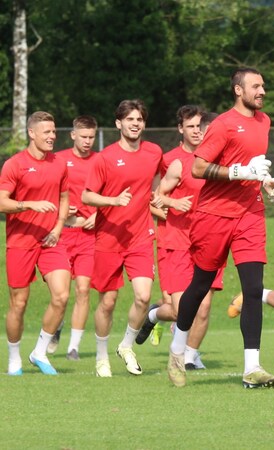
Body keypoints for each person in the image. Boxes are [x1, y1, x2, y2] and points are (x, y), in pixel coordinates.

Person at [165, 67, 274, 389]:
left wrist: (266, 182)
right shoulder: (223, 125)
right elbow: (199, 167)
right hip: (213, 215)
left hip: (250, 214)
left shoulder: (265, 121)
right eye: (255, 86)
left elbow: (252, 166)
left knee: (253, 289)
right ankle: (177, 351)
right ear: (237, 90)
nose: (262, 91)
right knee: (200, 284)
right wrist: (240, 172)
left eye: (263, 85)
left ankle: (252, 368)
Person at [135, 106, 221, 371]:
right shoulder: (172, 160)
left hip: (209, 240)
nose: (197, 131)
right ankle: (153, 315)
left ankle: (190, 356)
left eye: (200, 126)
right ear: (181, 129)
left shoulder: (215, 160)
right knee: (179, 308)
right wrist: (173, 202)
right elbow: (154, 198)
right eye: (191, 126)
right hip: (177, 240)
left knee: (204, 306)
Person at [82, 99, 164, 378]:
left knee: (143, 297)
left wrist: (159, 198)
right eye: (129, 119)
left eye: (139, 119)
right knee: (108, 302)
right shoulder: (104, 158)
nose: (135, 124)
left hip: (140, 236)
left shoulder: (154, 152)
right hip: (108, 239)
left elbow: (158, 180)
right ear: (118, 123)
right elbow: (87, 195)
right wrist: (113, 200)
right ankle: (102, 356)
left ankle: (126, 346)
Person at [0, 111, 71, 375]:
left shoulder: (59, 163)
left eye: (54, 132)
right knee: (19, 304)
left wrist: (58, 227)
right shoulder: (14, 164)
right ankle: (14, 357)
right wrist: (28, 204)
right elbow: (1, 201)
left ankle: (39, 352)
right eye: (47, 132)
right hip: (20, 241)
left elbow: (64, 197)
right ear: (32, 133)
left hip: (50, 241)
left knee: (62, 295)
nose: (52, 136)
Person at [53, 115, 100, 361]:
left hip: (89, 237)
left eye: (92, 137)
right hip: (63, 235)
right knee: (60, 293)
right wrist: (62, 207)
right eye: (83, 136)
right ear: (73, 135)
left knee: (83, 290)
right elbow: (47, 191)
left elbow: (112, 193)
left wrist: (100, 215)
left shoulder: (100, 161)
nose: (88, 141)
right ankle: (56, 326)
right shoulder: (58, 160)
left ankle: (74, 347)